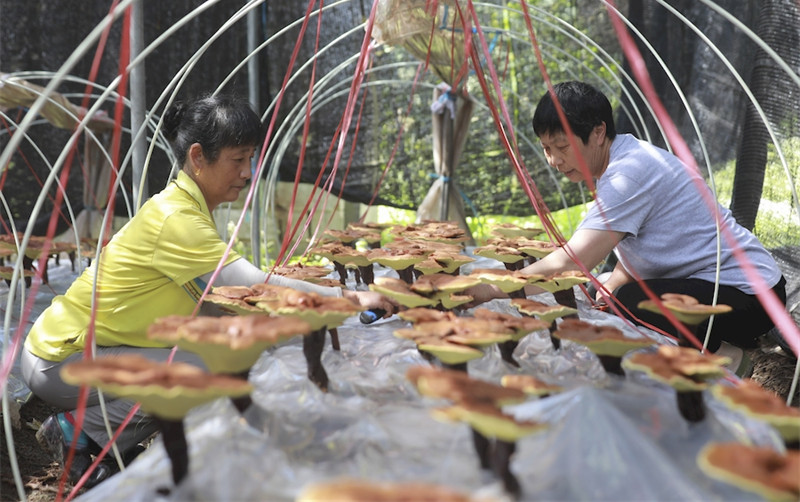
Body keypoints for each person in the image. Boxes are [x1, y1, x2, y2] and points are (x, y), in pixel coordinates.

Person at [21, 94, 396, 487]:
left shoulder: (186, 209)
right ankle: (75, 432)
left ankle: (112, 442)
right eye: (238, 159)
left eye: (250, 159)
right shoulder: (175, 220)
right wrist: (348, 299)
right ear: (198, 157)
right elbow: (253, 285)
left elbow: (217, 303)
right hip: (60, 361)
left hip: (83, 351)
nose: (248, 173)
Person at [470, 81, 786, 366]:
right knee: (606, 286)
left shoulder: (628, 173)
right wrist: (616, 277)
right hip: (718, 285)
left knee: (631, 302)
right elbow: (649, 241)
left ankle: (727, 361)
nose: (554, 161)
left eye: (562, 147)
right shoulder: (622, 162)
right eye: (546, 149)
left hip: (752, 295)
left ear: (597, 132)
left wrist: (489, 288)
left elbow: (573, 263)